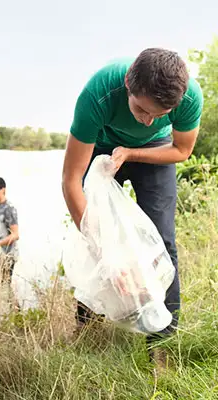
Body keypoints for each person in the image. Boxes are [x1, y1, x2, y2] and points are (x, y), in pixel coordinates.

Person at [62, 48, 203, 369]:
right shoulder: (98, 93)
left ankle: (161, 346)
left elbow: (181, 150)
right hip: (100, 144)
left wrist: (131, 152)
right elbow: (70, 181)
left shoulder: (189, 98)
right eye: (141, 109)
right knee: (92, 234)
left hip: (154, 150)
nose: (149, 119)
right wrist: (109, 255)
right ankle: (87, 326)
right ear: (128, 83)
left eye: (161, 113)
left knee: (164, 241)